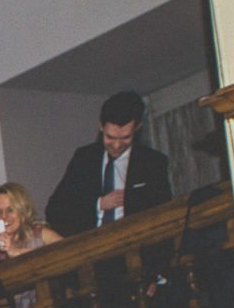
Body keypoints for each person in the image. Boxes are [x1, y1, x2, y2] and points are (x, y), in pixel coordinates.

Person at [46, 90, 173, 237]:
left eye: (125, 138)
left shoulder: (152, 162)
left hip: (137, 245)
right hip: (93, 248)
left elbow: (164, 209)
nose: (117, 145)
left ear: (137, 128)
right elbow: (55, 210)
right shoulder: (84, 159)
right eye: (110, 137)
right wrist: (99, 204)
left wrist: (130, 200)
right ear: (100, 126)